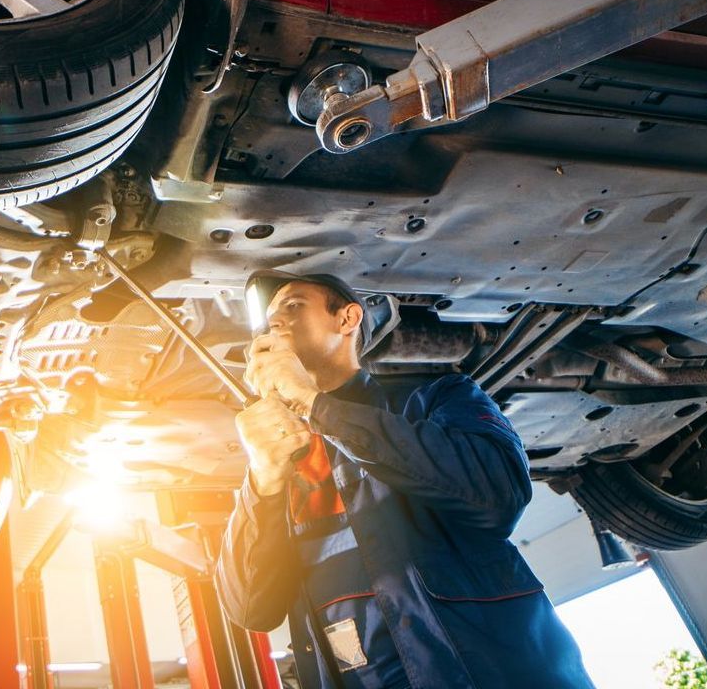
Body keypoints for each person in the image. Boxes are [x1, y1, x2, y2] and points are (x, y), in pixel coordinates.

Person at [217, 271, 594, 689]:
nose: (275, 322)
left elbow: (498, 494)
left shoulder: (435, 398)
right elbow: (251, 608)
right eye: (270, 317)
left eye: (293, 306)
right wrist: (262, 479)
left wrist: (315, 405)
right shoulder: (279, 455)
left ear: (347, 319)